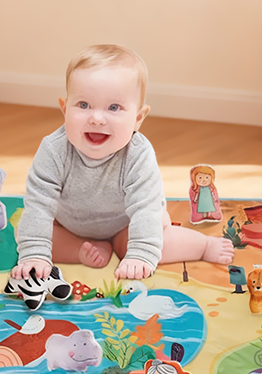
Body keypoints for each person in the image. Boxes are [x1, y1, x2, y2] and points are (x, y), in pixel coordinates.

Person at [12, 44, 234, 282]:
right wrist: (35, 254)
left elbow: (145, 209)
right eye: (83, 105)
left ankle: (203, 246)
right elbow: (39, 204)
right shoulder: (53, 149)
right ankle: (81, 250)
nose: (96, 118)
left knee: (153, 240)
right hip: (71, 226)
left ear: (138, 119)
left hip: (128, 223)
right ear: (65, 109)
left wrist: (140, 255)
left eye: (114, 108)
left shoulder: (138, 154)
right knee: (30, 233)